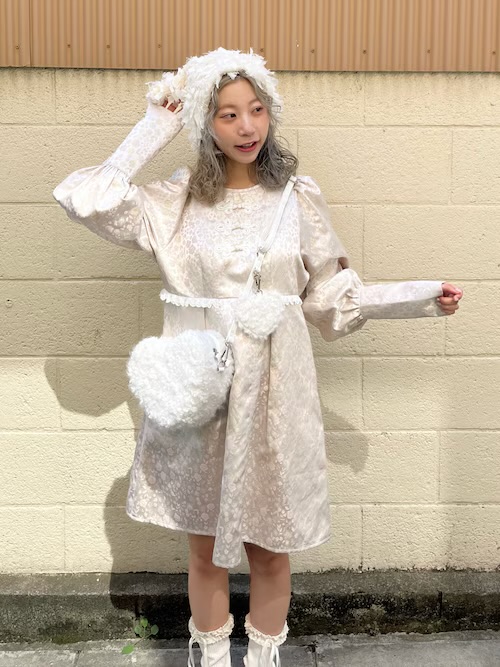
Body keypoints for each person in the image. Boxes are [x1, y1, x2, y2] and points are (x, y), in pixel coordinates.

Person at [53, 47, 463, 667]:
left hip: (276, 390)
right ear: (204, 122)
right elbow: (83, 197)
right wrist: (155, 125)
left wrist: (420, 298)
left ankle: (263, 659)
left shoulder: (298, 198)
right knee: (204, 545)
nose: (247, 127)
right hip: (203, 391)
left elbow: (330, 298)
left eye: (257, 110)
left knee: (270, 545)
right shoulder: (175, 201)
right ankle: (213, 658)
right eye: (227, 114)